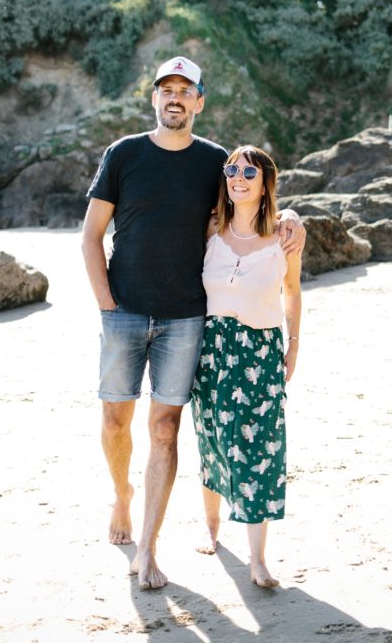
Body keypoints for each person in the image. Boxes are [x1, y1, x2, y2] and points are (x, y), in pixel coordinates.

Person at [81, 56, 305, 590]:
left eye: (186, 90)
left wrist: (292, 217)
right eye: (166, 90)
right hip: (124, 312)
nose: (175, 98)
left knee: (165, 429)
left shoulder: (214, 163)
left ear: (200, 101)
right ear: (154, 99)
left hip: (186, 320)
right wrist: (107, 304)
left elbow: (251, 202)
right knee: (116, 422)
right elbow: (90, 236)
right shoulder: (123, 154)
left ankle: (149, 551)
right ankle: (121, 495)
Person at [190, 145, 302, 588]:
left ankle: (258, 561)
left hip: (260, 352)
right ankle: (212, 529)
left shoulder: (283, 239)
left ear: (264, 182)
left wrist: (294, 343)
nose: (238, 177)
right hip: (213, 351)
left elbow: (292, 291)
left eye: (248, 171)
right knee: (213, 441)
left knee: (261, 451)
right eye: (231, 169)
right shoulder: (210, 229)